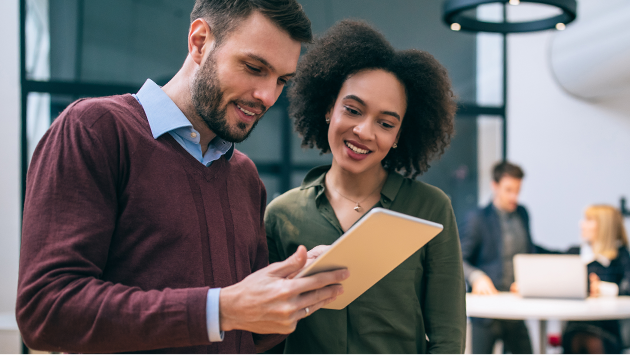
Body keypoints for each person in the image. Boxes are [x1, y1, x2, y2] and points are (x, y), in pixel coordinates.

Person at [16, 1, 349, 354]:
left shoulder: (245, 177)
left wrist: (291, 293)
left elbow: (245, 335)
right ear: (200, 41)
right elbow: (46, 310)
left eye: (282, 80)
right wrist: (220, 309)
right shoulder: (96, 130)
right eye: (254, 67)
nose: (267, 96)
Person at [264, 20, 466, 355]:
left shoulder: (431, 208)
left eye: (385, 123)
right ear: (330, 108)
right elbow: (267, 336)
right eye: (353, 110)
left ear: (400, 135)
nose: (364, 131)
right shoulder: (282, 215)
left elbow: (448, 337)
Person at [460, 161, 536, 355]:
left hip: (516, 308)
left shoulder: (523, 214)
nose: (514, 197)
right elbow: (459, 259)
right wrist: (477, 276)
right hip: (487, 312)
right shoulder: (477, 218)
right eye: (508, 190)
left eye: (518, 190)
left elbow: (530, 251)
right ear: (494, 186)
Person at [561, 205, 630, 355]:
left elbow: (628, 286)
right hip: (575, 327)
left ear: (605, 226)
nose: (581, 224)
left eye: (589, 220)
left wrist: (602, 289)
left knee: (591, 342)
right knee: (579, 339)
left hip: (606, 329)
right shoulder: (574, 253)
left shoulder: (621, 257)